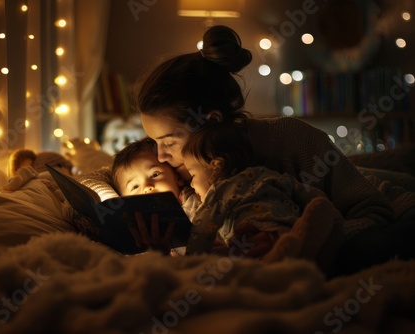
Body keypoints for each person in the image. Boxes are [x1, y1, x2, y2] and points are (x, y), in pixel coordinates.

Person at [132, 25, 415, 275]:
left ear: (211, 123)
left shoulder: (293, 139)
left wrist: (302, 241)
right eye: (155, 143)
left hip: (388, 206)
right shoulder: (182, 172)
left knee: (362, 253)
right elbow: (108, 175)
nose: (160, 156)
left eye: (169, 142)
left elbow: (373, 211)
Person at [181, 117, 344, 272]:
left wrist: (190, 261)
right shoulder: (268, 175)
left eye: (192, 175)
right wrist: (331, 214)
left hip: (252, 238)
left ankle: (277, 262)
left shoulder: (219, 191)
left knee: (221, 262)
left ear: (216, 166)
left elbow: (202, 230)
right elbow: (310, 194)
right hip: (288, 228)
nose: (192, 184)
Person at [111, 137, 200, 254]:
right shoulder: (135, 231)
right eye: (135, 187)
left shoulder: (196, 204)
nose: (147, 187)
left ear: (177, 177)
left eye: (154, 174)